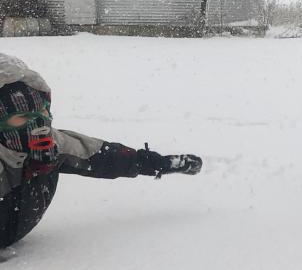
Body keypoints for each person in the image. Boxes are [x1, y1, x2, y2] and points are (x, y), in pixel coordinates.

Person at [0, 53, 202, 251]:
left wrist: (157, 163)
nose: (38, 124)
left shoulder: (52, 145)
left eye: (43, 112)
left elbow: (103, 157)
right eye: (22, 117)